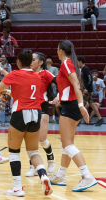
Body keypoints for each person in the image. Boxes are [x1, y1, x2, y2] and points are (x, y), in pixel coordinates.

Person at [0, 49, 53, 197]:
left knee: (14, 152)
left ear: (18, 62)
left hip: (20, 113)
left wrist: (2, 93)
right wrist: (10, 93)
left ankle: (17, 188)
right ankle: (43, 174)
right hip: (36, 113)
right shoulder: (37, 77)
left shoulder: (15, 74)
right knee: (33, 151)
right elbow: (27, 94)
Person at [50, 40, 97, 192]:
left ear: (61, 51)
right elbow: (69, 86)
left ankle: (87, 176)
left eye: (57, 49)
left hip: (71, 106)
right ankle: (60, 175)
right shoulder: (71, 63)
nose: (56, 52)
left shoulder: (65, 63)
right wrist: (59, 96)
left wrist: (81, 105)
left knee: (68, 144)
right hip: (70, 104)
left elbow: (77, 85)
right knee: (67, 144)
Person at [25, 52, 57, 177]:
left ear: (41, 62)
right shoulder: (27, 73)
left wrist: (59, 96)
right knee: (31, 138)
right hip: (29, 107)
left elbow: (59, 82)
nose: (31, 62)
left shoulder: (45, 73)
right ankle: (32, 166)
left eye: (33, 59)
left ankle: (50, 158)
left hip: (42, 106)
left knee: (41, 138)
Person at [77, 56, 104, 126]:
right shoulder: (82, 69)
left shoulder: (85, 69)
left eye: (77, 62)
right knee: (91, 104)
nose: (77, 63)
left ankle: (78, 120)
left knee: (80, 104)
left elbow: (90, 79)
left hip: (87, 90)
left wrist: (86, 88)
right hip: (87, 89)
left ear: (80, 61)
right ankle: (100, 118)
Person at [46, 55, 60, 123]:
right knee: (44, 102)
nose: (48, 60)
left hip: (52, 87)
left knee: (53, 102)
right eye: (47, 59)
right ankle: (45, 117)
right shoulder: (43, 69)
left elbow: (56, 78)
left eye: (50, 59)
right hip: (45, 87)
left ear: (52, 61)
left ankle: (53, 118)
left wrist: (54, 84)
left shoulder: (54, 68)